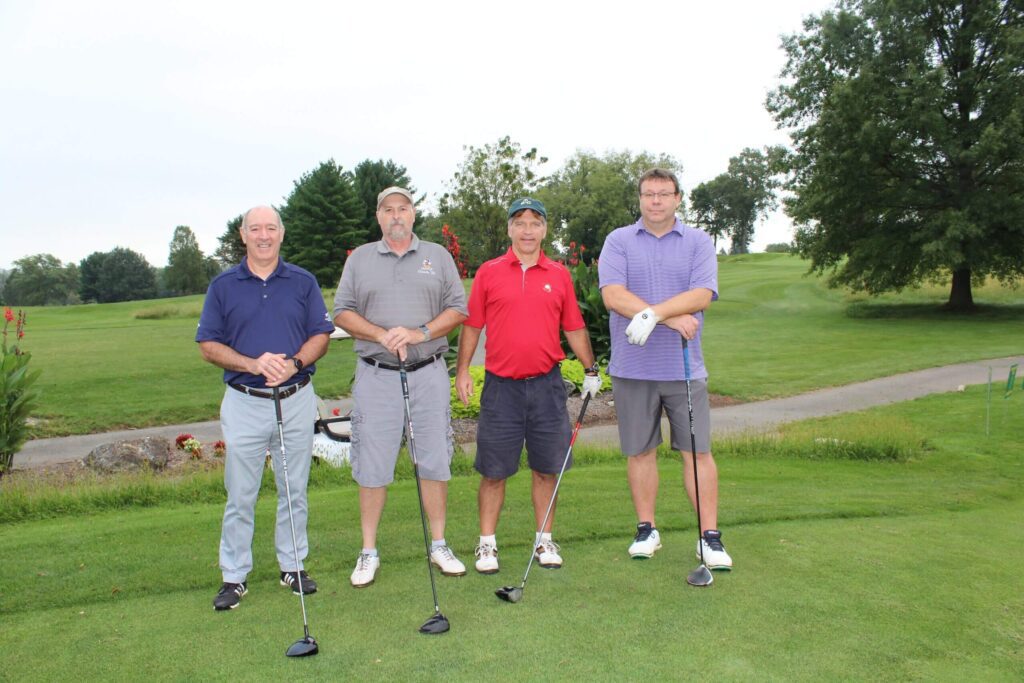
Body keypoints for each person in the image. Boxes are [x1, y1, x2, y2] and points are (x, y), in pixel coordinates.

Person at [196, 205, 335, 611]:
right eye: (255, 228)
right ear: (243, 235)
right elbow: (208, 346)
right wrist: (253, 363)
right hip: (245, 401)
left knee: (295, 489)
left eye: (270, 228)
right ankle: (234, 575)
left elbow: (320, 336)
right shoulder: (223, 285)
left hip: (295, 398)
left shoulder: (302, 281)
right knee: (241, 492)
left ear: (281, 233)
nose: (263, 235)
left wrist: (293, 363)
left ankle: (293, 565)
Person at [455, 197, 602, 574]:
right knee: (493, 471)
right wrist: (461, 371)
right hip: (501, 388)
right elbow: (472, 326)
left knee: (546, 468)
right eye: (519, 222)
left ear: (544, 230)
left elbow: (573, 326)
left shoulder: (558, 274)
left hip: (546, 386)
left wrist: (590, 368)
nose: (527, 230)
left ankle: (544, 539)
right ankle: (487, 544)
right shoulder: (489, 272)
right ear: (509, 229)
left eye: (534, 223)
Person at [333, 186, 468, 587]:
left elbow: (458, 309)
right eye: (388, 210)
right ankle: (369, 551)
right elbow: (341, 312)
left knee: (434, 459)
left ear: (413, 214)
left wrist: (417, 332)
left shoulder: (437, 257)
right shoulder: (359, 259)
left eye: (403, 209)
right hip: (376, 374)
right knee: (373, 463)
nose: (396, 215)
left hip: (427, 372)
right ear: (378, 217)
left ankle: (440, 544)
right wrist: (381, 335)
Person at [598, 169, 733, 569]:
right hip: (632, 368)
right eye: (648, 194)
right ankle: (646, 529)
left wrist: (655, 314)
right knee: (640, 452)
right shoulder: (619, 240)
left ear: (677, 198)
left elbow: (702, 294)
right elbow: (612, 295)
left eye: (663, 194)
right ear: (639, 199)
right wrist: (672, 319)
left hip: (684, 368)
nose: (655, 201)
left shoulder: (697, 241)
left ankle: (709, 536)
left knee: (697, 452)